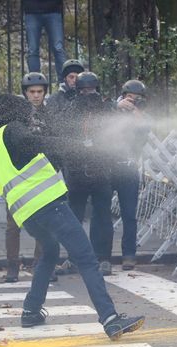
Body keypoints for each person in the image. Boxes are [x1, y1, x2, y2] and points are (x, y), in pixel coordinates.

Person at [0, 93, 144, 339]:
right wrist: (75, 145)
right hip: (49, 206)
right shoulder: (13, 130)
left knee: (49, 253)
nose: (29, 117)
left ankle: (31, 311)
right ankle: (110, 319)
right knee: (87, 259)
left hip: (26, 214)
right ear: (15, 112)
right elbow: (34, 142)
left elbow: (27, 157)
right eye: (25, 112)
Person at [62, 71, 115, 276]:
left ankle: (103, 258)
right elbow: (64, 134)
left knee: (102, 215)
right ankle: (74, 257)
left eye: (92, 90)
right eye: (84, 90)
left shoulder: (106, 109)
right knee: (74, 216)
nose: (88, 94)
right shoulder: (71, 109)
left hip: (101, 169)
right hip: (77, 170)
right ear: (77, 91)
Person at [3, 72, 52, 283]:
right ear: (25, 93)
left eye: (39, 92)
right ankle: (12, 267)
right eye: (32, 92)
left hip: (42, 177)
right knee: (13, 225)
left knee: (44, 224)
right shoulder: (14, 115)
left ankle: (40, 265)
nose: (36, 96)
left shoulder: (50, 115)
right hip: (17, 176)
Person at [112, 80, 151, 270]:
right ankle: (101, 254)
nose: (133, 102)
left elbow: (143, 137)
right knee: (101, 213)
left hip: (129, 167)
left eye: (138, 99)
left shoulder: (142, 116)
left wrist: (137, 116)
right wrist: (117, 108)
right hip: (109, 166)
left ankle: (129, 255)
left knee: (129, 214)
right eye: (130, 98)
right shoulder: (112, 107)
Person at [23, 0, 67, 82]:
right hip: (32, 10)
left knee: (58, 48)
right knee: (32, 49)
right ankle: (34, 82)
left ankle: (64, 83)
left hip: (53, 10)